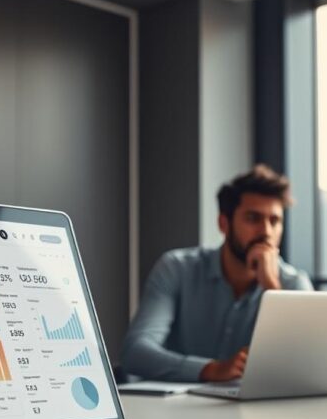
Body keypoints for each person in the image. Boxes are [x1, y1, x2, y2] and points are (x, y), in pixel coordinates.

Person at [121, 164, 312, 382]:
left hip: (256, 412)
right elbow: (135, 351)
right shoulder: (176, 268)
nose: (266, 231)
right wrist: (210, 370)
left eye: (274, 221)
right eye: (253, 218)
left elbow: (309, 362)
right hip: (177, 411)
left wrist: (271, 287)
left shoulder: (294, 284)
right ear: (224, 223)